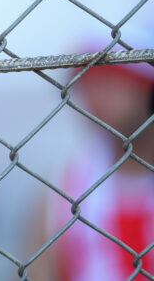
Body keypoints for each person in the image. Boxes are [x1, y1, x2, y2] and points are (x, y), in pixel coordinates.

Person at [31, 41, 154, 281]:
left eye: (110, 81)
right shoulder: (66, 183)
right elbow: (40, 270)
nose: (95, 96)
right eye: (87, 83)